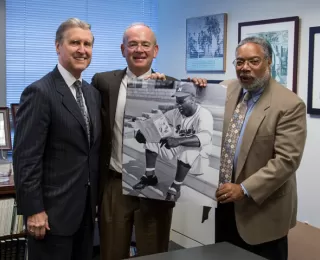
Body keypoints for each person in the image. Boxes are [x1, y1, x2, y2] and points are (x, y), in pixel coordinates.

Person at [91, 22, 206, 259]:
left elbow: (192, 108)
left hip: (156, 190)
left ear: (156, 50)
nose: (139, 49)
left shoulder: (174, 86)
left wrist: (200, 86)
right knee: (111, 251)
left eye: (145, 44)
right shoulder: (103, 82)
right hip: (114, 181)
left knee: (154, 252)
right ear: (123, 49)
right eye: (133, 44)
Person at [13, 18, 101, 260]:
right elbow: (26, 159)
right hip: (51, 216)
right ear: (57, 46)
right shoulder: (40, 92)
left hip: (85, 212)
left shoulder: (92, 94)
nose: (82, 50)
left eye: (87, 44)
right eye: (75, 43)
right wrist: (34, 211)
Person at [215, 36, 307, 260]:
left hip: (262, 208)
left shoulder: (289, 104)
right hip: (225, 202)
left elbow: (287, 161)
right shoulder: (225, 89)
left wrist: (244, 188)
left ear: (269, 62)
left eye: (253, 61)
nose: (244, 68)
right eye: (239, 62)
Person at [133, 82, 214, 202]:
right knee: (152, 140)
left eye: (182, 101)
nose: (178, 105)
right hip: (178, 152)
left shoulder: (204, 114)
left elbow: (205, 138)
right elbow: (157, 122)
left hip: (198, 158)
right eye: (177, 101)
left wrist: (178, 141)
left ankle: (176, 187)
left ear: (193, 99)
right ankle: (150, 176)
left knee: (189, 149)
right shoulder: (175, 113)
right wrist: (142, 132)